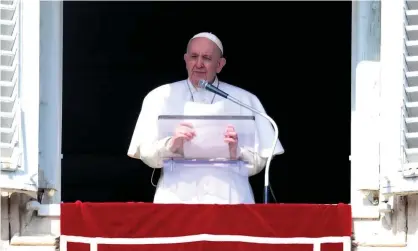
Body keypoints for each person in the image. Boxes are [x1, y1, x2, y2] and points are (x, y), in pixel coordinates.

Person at [127, 32, 284, 204]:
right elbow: (146, 154)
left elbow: (259, 163)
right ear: (186, 59)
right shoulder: (159, 97)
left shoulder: (244, 100)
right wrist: (171, 144)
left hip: (231, 201)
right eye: (194, 57)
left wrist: (236, 152)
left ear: (220, 64)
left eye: (207, 58)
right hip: (175, 201)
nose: (199, 64)